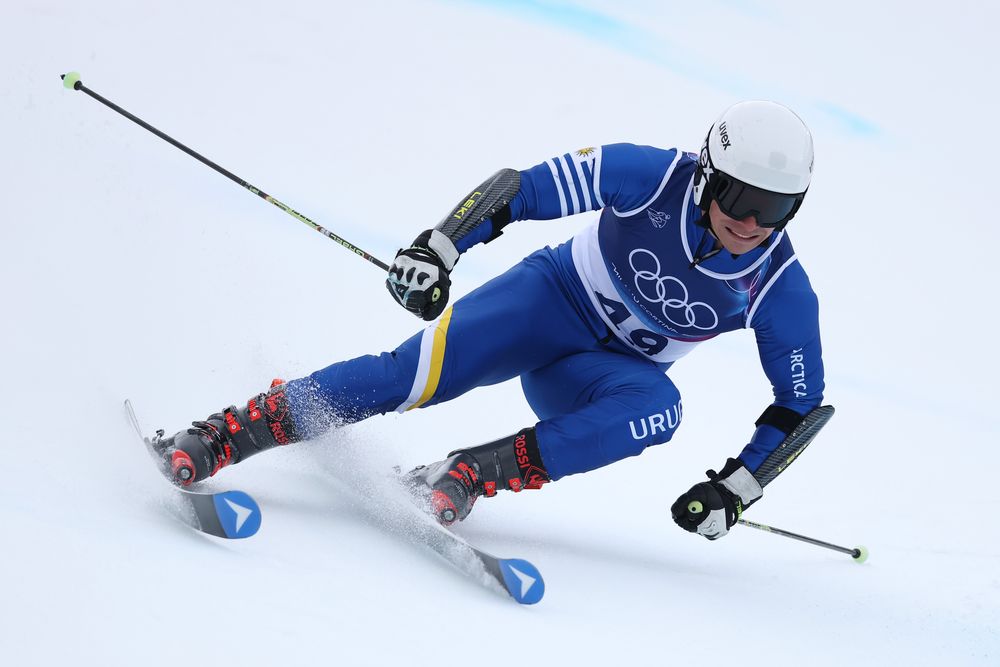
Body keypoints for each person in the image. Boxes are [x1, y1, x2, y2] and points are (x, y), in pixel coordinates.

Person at [154, 100, 825, 541]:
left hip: (605, 375)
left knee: (661, 409)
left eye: (777, 209)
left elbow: (800, 403)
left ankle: (468, 473)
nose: (752, 223)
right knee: (408, 378)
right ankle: (227, 431)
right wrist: (438, 247)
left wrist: (735, 488)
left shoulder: (779, 284)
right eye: (740, 197)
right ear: (709, 176)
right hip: (548, 300)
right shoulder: (651, 177)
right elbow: (523, 188)